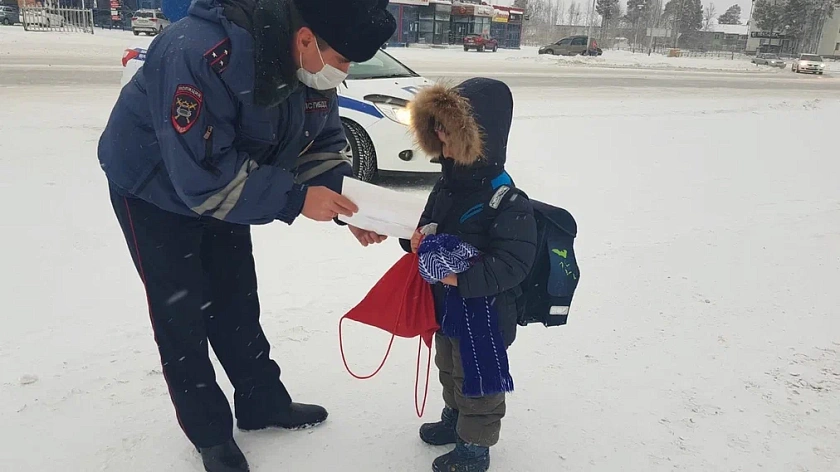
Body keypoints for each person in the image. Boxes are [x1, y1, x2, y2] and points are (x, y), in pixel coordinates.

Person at [97, 0, 395, 470]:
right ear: (305, 39)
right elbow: (200, 177)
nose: (345, 71)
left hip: (228, 181)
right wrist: (296, 200)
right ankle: (210, 433)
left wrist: (348, 205)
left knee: (235, 297)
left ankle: (261, 402)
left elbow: (320, 142)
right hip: (153, 187)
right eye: (342, 60)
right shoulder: (199, 53)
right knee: (182, 314)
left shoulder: (311, 63)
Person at [401, 78, 538, 472]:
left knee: (478, 380)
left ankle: (475, 446)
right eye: (436, 126)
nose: (439, 133)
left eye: (448, 127)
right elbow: (428, 226)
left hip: (486, 314)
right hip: (446, 308)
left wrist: (459, 279)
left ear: (477, 137)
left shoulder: (507, 200)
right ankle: (454, 419)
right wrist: (415, 241)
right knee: (448, 364)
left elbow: (513, 263)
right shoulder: (447, 186)